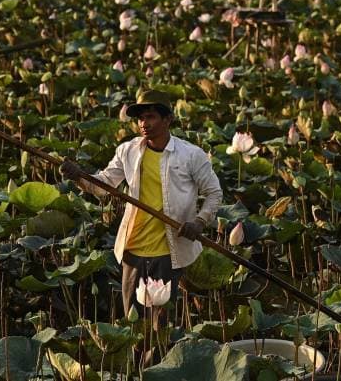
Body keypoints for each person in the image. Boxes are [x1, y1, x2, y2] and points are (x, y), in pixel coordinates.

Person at [61, 90, 222, 319]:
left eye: (150, 117)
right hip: (133, 250)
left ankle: (159, 355)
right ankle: (137, 356)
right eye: (140, 119)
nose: (143, 124)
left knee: (160, 323)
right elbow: (104, 185)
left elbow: (214, 193)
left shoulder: (190, 155)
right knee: (134, 322)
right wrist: (79, 176)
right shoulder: (128, 151)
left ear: (168, 120)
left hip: (169, 250)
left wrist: (199, 222)